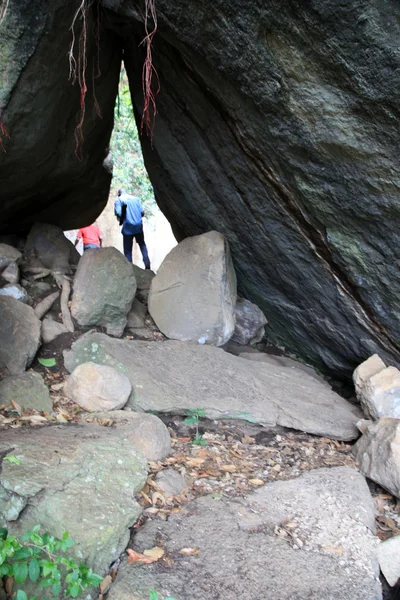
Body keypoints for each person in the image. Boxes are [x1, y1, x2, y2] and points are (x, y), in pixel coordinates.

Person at [114, 188, 151, 269]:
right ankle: (147, 264)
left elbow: (119, 214)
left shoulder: (118, 200)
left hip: (128, 228)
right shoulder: (136, 199)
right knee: (142, 245)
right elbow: (142, 213)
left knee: (128, 251)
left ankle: (129, 268)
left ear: (119, 194)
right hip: (138, 227)